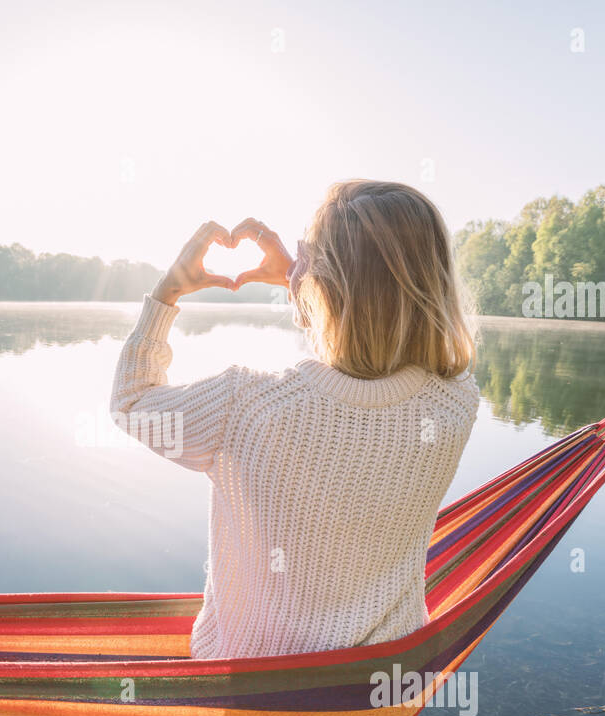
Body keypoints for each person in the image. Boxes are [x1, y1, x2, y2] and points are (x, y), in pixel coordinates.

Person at [110, 180, 480, 659]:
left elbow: (131, 402)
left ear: (327, 282)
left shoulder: (244, 403)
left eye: (307, 252)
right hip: (386, 677)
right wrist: (305, 278)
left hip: (252, 677)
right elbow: (366, 356)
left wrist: (167, 294)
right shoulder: (456, 403)